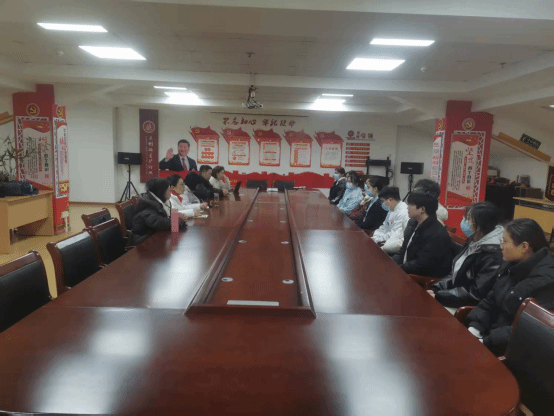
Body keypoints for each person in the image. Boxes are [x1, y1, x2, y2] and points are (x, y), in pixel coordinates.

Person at [466, 218, 554, 355]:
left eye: (504, 241)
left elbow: (526, 330)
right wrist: (475, 328)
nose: (500, 245)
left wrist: (486, 341)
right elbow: (491, 301)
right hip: (489, 339)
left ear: (524, 247)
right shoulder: (512, 264)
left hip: (511, 352)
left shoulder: (547, 281)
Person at [430, 202, 504, 308]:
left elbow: (475, 293)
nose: (464, 221)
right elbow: (455, 273)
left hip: (467, 306)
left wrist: (439, 296)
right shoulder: (474, 239)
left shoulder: (493, 254)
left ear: (479, 225)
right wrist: (436, 288)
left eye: (468, 218)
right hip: (453, 297)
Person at [392, 190, 455, 277]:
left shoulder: (437, 234)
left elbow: (421, 265)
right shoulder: (413, 223)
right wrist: (391, 264)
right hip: (405, 270)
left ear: (422, 209)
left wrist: (397, 269)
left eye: (411, 204)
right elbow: (404, 250)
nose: (407, 207)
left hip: (418, 277)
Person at [372, 186, 409, 255]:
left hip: (392, 245)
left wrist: (377, 239)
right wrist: (375, 237)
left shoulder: (403, 212)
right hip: (383, 240)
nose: (383, 204)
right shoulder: (392, 209)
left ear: (390, 200)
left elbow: (394, 234)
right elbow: (384, 227)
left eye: (383, 201)